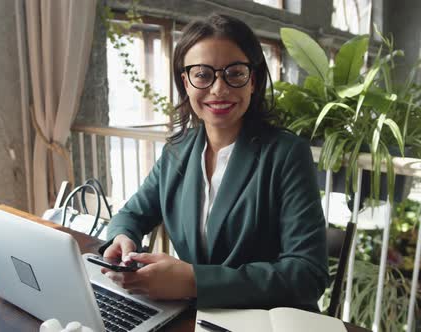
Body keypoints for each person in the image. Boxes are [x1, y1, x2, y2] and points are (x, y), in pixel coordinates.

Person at [99, 13, 328, 311]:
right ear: (186, 82)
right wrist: (122, 238)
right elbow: (132, 214)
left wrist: (194, 281)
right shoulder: (176, 152)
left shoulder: (286, 154)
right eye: (203, 74)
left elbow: (308, 274)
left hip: (265, 321)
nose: (219, 89)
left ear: (253, 81)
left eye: (234, 73)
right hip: (195, 316)